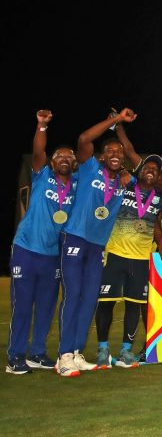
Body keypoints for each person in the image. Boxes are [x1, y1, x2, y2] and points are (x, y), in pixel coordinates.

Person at [56, 108, 136, 377]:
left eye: (119, 153)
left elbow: (135, 161)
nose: (115, 155)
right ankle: (64, 355)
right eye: (110, 152)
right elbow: (84, 138)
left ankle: (77, 352)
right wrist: (115, 121)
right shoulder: (90, 166)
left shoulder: (123, 179)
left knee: (90, 298)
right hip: (76, 237)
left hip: (97, 246)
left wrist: (125, 167)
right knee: (73, 295)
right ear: (102, 156)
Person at [94, 155, 162, 368]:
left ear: (158, 176)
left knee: (134, 305)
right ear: (139, 171)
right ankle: (102, 350)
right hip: (115, 254)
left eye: (155, 170)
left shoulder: (160, 197)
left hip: (140, 259)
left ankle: (126, 351)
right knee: (106, 303)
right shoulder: (124, 187)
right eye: (146, 167)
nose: (150, 170)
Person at [7, 111, 77, 375]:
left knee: (47, 307)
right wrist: (42, 126)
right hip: (26, 249)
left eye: (70, 157)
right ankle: (15, 357)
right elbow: (38, 150)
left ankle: (37, 352)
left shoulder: (76, 187)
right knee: (23, 305)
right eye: (59, 156)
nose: (65, 159)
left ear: (74, 164)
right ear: (51, 161)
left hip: (53, 255)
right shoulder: (41, 175)